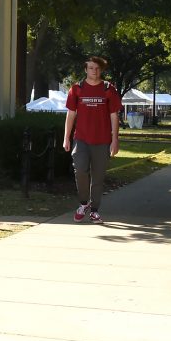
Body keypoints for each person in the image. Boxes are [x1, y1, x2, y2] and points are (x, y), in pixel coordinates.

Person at [63, 56, 122, 224]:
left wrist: (115, 139)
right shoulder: (77, 89)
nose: (94, 71)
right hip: (81, 139)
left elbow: (114, 116)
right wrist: (66, 137)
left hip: (102, 140)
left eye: (97, 68)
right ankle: (83, 203)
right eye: (90, 68)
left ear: (101, 70)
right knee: (80, 170)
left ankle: (95, 210)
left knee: (98, 177)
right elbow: (71, 114)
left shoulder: (108, 89)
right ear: (85, 69)